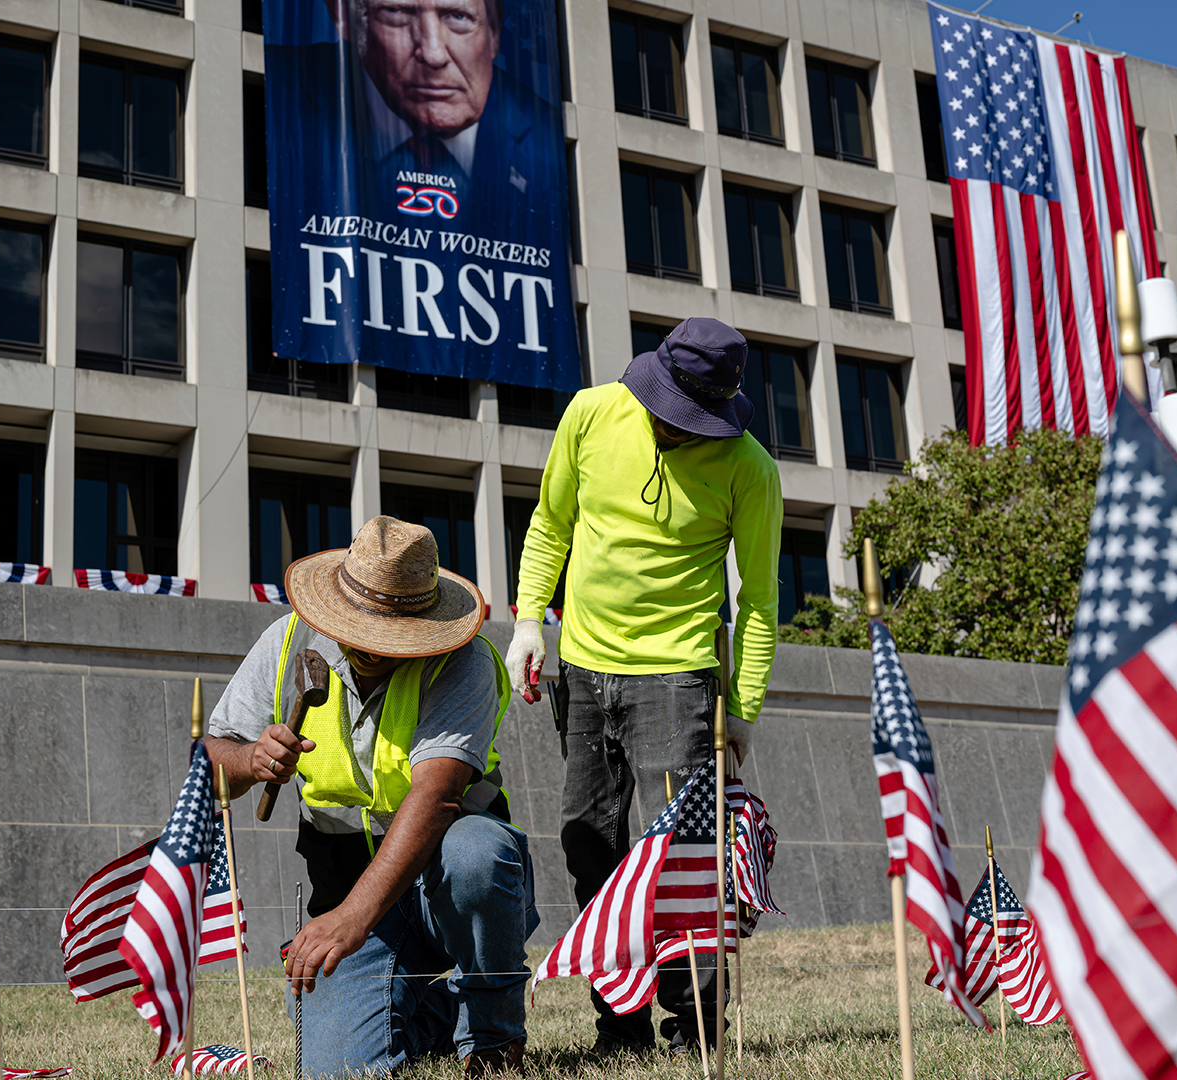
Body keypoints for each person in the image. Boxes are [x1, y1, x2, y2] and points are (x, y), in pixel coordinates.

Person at [506, 317, 784, 1056]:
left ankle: (696, 1030)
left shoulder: (751, 468)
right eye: (667, 411)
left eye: (691, 420)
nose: (674, 427)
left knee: (686, 859)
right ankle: (620, 1028)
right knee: (588, 844)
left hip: (680, 678)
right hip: (583, 669)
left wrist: (743, 709)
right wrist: (529, 621)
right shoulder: (590, 413)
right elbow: (551, 524)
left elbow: (759, 601)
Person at [205, 516, 536, 1077]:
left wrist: (351, 919)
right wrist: (250, 760)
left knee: (475, 853)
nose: (370, 647)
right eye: (360, 629)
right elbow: (213, 762)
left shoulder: (465, 660)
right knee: (333, 1066)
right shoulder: (285, 642)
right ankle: (437, 1014)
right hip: (346, 890)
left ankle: (492, 1037)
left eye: (389, 636)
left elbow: (435, 798)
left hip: (450, 889)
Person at [266, 0, 562, 244]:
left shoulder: (549, 140)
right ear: (346, 18)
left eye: (458, 17)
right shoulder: (276, 92)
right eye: (397, 12)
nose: (433, 55)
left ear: (494, 34)